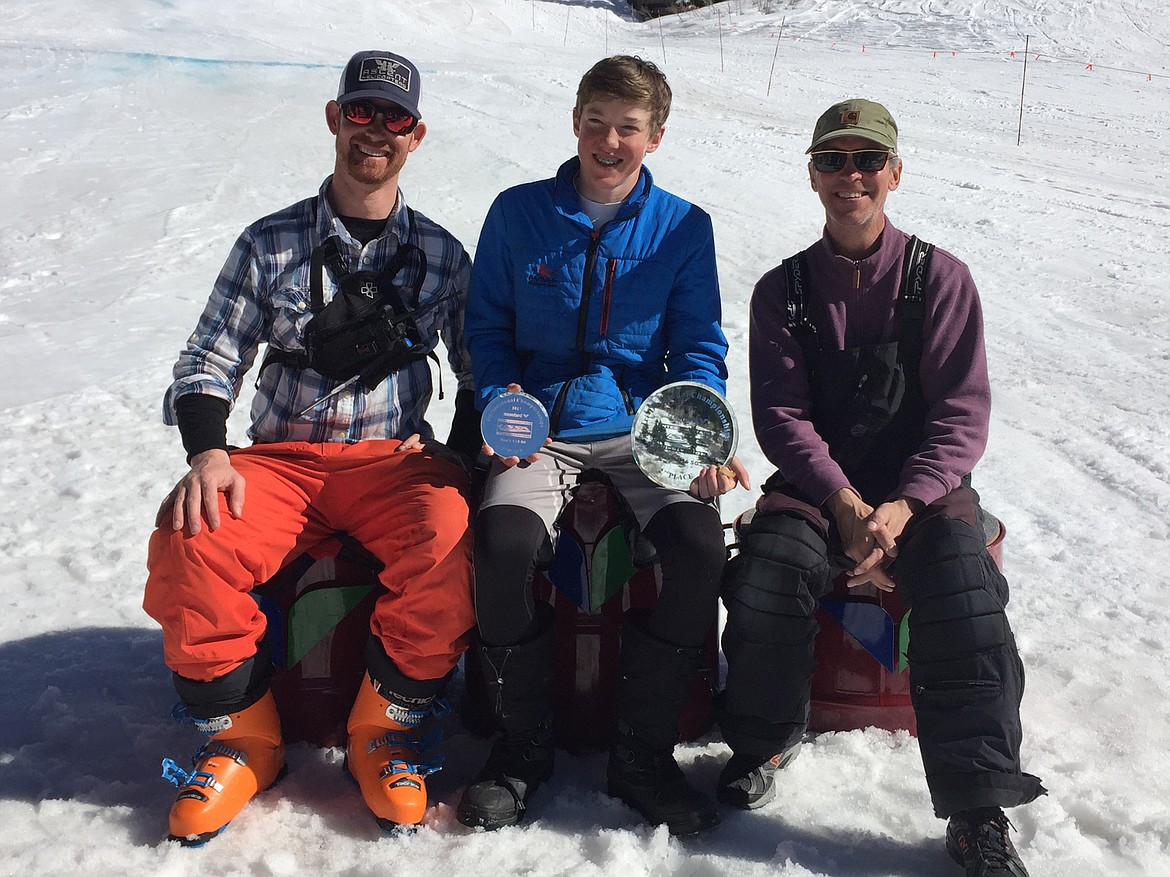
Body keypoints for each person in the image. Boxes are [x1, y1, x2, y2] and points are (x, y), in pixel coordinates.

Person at [143, 50, 480, 845]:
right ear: (335, 118)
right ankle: (242, 739)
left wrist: (469, 458)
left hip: (392, 460)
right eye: (361, 111)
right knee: (190, 539)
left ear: (416, 135)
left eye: (394, 119)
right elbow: (208, 357)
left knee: (451, 541)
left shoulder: (440, 255)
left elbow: (480, 370)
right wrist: (207, 454)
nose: (376, 131)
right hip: (279, 461)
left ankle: (387, 730)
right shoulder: (270, 241)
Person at [718, 98, 1044, 875]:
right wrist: (843, 501)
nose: (850, 175)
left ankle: (976, 807)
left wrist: (902, 504)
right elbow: (783, 416)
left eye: (867, 160)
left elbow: (962, 413)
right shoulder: (784, 291)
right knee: (769, 567)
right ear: (812, 176)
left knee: (964, 586)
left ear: (895, 173)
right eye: (833, 160)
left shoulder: (941, 278)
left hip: (921, 492)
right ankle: (762, 739)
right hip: (818, 485)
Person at [457, 55, 749, 837]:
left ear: (655, 135)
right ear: (575, 121)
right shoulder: (518, 214)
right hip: (539, 421)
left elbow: (696, 345)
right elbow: (486, 328)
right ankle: (521, 745)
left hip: (638, 423)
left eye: (627, 127)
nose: (608, 141)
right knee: (501, 540)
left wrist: (701, 427)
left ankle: (642, 751)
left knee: (694, 544)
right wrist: (501, 397)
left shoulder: (684, 227)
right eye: (596, 122)